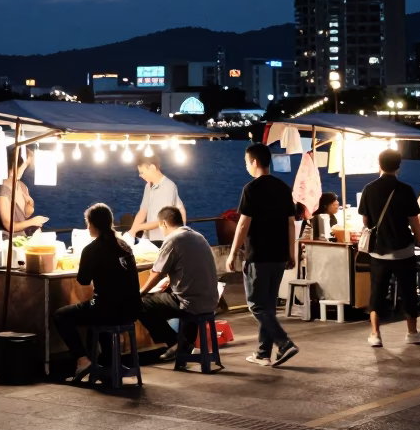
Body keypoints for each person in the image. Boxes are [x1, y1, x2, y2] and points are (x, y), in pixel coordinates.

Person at [226, 143, 299, 368]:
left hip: (258, 255)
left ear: (255, 162)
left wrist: (231, 254)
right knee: (267, 306)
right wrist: (291, 252)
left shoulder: (251, 189)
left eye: (247, 163)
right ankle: (262, 353)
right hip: (279, 255)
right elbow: (290, 225)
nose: (247, 167)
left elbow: (242, 225)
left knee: (256, 305)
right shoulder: (283, 188)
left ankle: (284, 343)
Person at [52, 203, 142, 382]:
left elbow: (83, 280)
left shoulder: (92, 249)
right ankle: (110, 363)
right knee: (97, 313)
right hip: (133, 309)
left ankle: (83, 360)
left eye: (88, 223)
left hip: (108, 309)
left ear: (92, 224)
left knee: (61, 315)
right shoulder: (124, 245)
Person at [358, 150, 420, 347]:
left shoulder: (368, 189)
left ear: (379, 163)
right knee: (408, 291)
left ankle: (375, 335)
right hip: (403, 250)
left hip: (378, 250)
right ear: (399, 166)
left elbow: (366, 221)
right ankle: (412, 333)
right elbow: (414, 220)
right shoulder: (405, 189)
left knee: (377, 292)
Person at [138, 206, 221, 363]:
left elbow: (157, 272)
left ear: (163, 223)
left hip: (190, 303)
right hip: (211, 299)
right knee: (171, 298)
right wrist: (172, 279)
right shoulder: (198, 236)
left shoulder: (173, 239)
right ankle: (184, 344)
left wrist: (141, 291)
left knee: (140, 303)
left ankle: (176, 343)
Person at [0, 147, 48, 238]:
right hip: (7, 244)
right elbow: (9, 225)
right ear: (15, 164)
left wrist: (29, 207)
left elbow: (25, 215)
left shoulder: (22, 186)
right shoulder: (2, 192)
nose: (26, 169)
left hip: (23, 240)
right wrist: (33, 221)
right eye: (26, 165)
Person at [130, 156, 186, 242]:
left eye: (142, 172)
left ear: (152, 167)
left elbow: (163, 219)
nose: (141, 176)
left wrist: (139, 227)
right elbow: (143, 211)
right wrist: (132, 232)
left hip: (165, 239)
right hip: (150, 238)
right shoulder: (148, 186)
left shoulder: (168, 186)